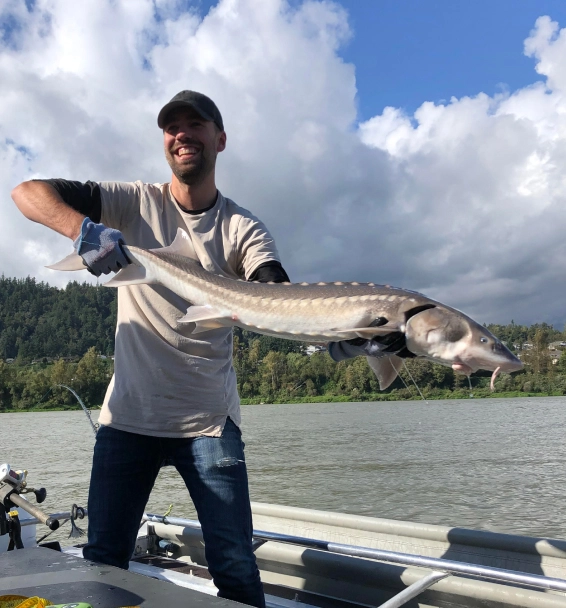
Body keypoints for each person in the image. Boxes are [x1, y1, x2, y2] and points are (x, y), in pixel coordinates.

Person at [12, 90, 408, 608]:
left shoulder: (243, 227)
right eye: (172, 127)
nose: (182, 134)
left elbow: (280, 298)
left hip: (208, 425)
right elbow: (26, 192)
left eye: (195, 124)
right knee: (103, 559)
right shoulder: (131, 201)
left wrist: (354, 336)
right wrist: (82, 230)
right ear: (164, 143)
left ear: (219, 139)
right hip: (127, 419)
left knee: (236, 567)